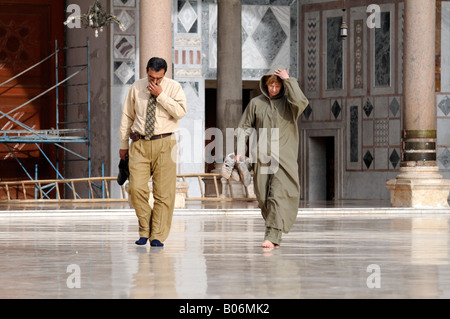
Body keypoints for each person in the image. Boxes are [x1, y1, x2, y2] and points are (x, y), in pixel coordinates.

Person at [235, 69, 309, 249]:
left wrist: (289, 80)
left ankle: (273, 235)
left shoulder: (290, 104)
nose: (273, 89)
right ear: (265, 84)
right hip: (261, 157)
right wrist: (239, 151)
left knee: (277, 195)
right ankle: (274, 229)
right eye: (271, 85)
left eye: (277, 85)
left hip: (283, 158)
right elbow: (244, 127)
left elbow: (302, 102)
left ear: (283, 86)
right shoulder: (256, 103)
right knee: (262, 197)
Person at [119, 57, 187, 247]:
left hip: (165, 142)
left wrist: (161, 95)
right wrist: (123, 144)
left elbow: (181, 112)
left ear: (164, 74)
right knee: (135, 188)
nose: (154, 81)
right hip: (139, 143)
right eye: (151, 77)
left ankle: (156, 235)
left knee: (164, 194)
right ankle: (146, 228)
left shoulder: (173, 88)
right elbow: (127, 116)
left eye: (158, 78)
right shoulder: (137, 87)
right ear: (146, 71)